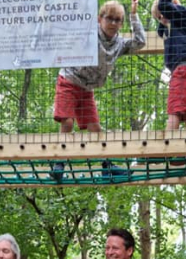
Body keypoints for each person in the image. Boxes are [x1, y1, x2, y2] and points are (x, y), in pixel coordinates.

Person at [51, 0, 146, 180]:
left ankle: (107, 166)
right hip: (69, 81)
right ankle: (59, 163)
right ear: (99, 19)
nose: (113, 23)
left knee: (96, 128)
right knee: (68, 123)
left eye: (118, 20)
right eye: (109, 18)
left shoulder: (119, 44)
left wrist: (133, 16)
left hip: (87, 89)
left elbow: (140, 41)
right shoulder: (88, 33)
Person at [152, 0, 186, 130]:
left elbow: (164, 5)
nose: (162, 19)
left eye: (161, 16)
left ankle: (167, 148)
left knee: (174, 111)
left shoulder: (180, 12)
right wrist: (162, 21)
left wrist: (164, 7)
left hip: (182, 71)